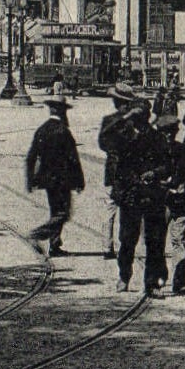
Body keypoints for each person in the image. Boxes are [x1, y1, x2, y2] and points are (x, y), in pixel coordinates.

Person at [100, 95, 170, 296]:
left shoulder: (157, 138)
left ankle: (151, 283)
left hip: (152, 194)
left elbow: (167, 165)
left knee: (154, 241)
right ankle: (124, 275)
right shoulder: (124, 138)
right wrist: (124, 118)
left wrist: (154, 173)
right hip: (130, 195)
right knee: (127, 240)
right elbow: (104, 138)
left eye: (142, 116)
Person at [25, 84, 85, 257]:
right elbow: (73, 158)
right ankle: (37, 234)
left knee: (55, 210)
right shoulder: (63, 131)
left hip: (46, 179)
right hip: (62, 179)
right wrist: (79, 181)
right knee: (63, 213)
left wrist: (30, 179)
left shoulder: (42, 130)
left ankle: (55, 245)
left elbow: (31, 156)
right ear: (62, 111)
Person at [155, 110, 185, 295]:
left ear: (175, 132)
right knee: (157, 241)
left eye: (171, 132)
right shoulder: (154, 152)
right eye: (164, 133)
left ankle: (179, 280)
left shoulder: (184, 151)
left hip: (180, 202)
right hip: (159, 202)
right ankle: (160, 276)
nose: (168, 136)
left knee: (178, 240)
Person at [97, 81, 137, 259]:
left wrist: (112, 151)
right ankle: (125, 245)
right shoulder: (132, 122)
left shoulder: (108, 120)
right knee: (127, 210)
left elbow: (102, 143)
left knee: (109, 209)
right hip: (128, 170)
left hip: (112, 169)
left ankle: (107, 247)